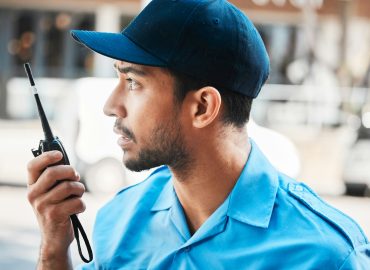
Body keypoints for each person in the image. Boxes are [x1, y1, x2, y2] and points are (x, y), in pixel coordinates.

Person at [26, 0, 370, 269]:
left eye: (133, 82)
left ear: (203, 107)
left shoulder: (327, 255)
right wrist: (54, 248)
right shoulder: (119, 221)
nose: (110, 105)